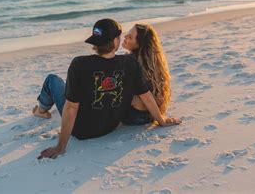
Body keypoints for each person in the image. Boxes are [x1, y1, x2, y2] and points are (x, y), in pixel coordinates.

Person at [33, 18, 180, 159]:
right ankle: (42, 109)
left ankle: (41, 110)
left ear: (95, 42)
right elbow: (146, 95)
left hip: (81, 131)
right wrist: (161, 120)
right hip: (109, 126)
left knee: (53, 80)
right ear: (115, 42)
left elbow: (71, 107)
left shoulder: (79, 64)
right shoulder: (129, 63)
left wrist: (60, 147)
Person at [121, 24, 171, 125]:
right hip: (150, 115)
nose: (125, 37)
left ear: (139, 44)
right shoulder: (152, 63)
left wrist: (162, 121)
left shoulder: (130, 61)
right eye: (127, 34)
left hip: (135, 116)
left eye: (130, 37)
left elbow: (144, 95)